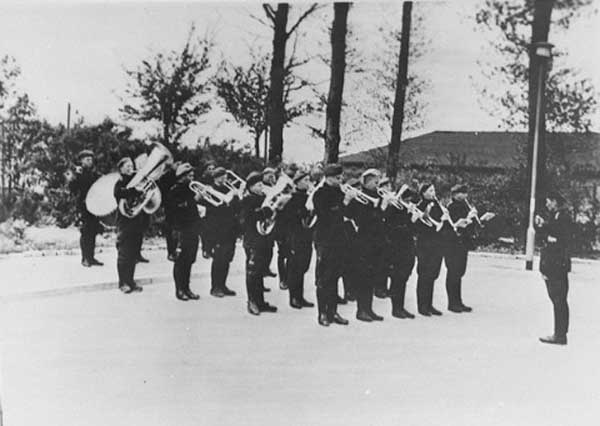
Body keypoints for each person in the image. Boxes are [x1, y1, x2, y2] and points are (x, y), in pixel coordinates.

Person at [444, 184, 493, 313]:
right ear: (455, 194)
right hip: (453, 244)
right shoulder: (451, 207)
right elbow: (454, 225)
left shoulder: (465, 206)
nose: (465, 196)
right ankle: (452, 302)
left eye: (465, 193)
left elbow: (471, 226)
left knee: (460, 272)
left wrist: (480, 219)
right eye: (462, 193)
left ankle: (458, 301)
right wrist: (468, 217)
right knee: (453, 273)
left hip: (463, 243)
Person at [312, 163, 351, 326]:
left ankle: (333, 311)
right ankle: (322, 313)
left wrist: (348, 202)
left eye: (341, 177)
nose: (340, 180)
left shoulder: (339, 192)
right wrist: (345, 202)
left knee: (335, 276)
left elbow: (348, 215)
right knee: (324, 278)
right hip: (325, 239)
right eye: (337, 177)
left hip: (339, 239)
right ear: (327, 178)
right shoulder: (320, 194)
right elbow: (328, 215)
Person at [240, 171, 284, 315]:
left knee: (260, 271)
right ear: (251, 187)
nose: (261, 187)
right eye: (258, 185)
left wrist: (276, 207)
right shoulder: (246, 201)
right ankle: (252, 301)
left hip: (265, 238)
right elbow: (247, 219)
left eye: (261, 184)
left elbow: (271, 215)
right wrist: (265, 211)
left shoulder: (265, 198)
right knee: (253, 271)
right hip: (252, 239)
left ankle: (260, 301)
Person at [345, 169, 386, 322]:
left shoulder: (378, 196)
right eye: (374, 180)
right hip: (363, 241)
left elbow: (383, 219)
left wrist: (383, 207)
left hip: (377, 241)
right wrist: (380, 208)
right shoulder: (358, 197)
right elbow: (363, 219)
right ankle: (361, 310)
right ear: (366, 181)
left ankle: (369, 308)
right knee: (363, 276)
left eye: (378, 179)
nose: (377, 182)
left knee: (373, 276)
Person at [535, 191, 572, 345]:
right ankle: (560, 332)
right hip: (556, 263)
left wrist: (545, 227)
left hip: (556, 263)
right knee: (558, 299)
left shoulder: (561, 217)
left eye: (549, 201)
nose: (547, 204)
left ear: (556, 202)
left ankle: (560, 334)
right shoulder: (557, 216)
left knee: (558, 298)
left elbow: (560, 237)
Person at [380, 181, 419, 319]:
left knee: (404, 277)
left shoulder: (405, 209)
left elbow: (413, 231)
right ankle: (396, 308)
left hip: (407, 247)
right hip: (396, 247)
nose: (409, 203)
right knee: (397, 278)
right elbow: (391, 227)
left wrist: (413, 219)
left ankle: (401, 307)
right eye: (407, 200)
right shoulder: (393, 208)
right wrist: (409, 220)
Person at [165, 163, 203, 301]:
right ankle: (179, 290)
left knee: (189, 260)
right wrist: (194, 201)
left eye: (193, 175)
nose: (193, 177)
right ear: (182, 176)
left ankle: (187, 288)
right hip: (181, 229)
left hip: (192, 229)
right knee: (180, 261)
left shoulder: (191, 189)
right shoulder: (175, 190)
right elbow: (176, 208)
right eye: (190, 175)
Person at [414, 183, 452, 316]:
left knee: (432, 274)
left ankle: (429, 304)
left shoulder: (437, 206)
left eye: (433, 190)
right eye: (430, 190)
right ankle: (422, 306)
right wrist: (439, 223)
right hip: (425, 245)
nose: (433, 193)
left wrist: (445, 219)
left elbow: (442, 225)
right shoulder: (420, 206)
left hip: (437, 245)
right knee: (424, 274)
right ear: (423, 193)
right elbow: (420, 227)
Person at [204, 167, 241, 298]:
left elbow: (236, 208)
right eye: (222, 176)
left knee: (227, 259)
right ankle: (215, 287)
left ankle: (223, 285)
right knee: (218, 259)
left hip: (230, 229)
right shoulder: (210, 189)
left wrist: (236, 196)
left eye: (225, 176)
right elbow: (210, 210)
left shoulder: (229, 190)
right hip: (217, 229)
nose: (225, 179)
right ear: (216, 178)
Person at [280, 170, 314, 309]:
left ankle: (300, 296)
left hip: (306, 235)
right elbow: (288, 218)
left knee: (303, 266)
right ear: (298, 182)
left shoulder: (308, 197)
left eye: (308, 180)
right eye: (305, 180)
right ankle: (294, 297)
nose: (308, 183)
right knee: (295, 268)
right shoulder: (292, 198)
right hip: (295, 236)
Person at [113, 157, 146, 293]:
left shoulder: (137, 180)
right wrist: (135, 191)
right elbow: (119, 193)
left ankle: (131, 281)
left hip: (136, 220)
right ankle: (123, 282)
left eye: (131, 165)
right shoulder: (120, 182)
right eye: (127, 166)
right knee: (124, 253)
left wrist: (142, 192)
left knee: (133, 253)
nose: (130, 168)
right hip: (125, 220)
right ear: (121, 168)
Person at [65, 149, 103, 267]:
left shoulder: (94, 173)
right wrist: (72, 177)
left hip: (94, 206)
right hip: (83, 206)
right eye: (87, 159)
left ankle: (91, 257)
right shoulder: (77, 173)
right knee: (86, 231)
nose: (90, 161)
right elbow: (72, 188)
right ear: (81, 161)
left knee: (93, 231)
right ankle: (85, 258)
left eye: (91, 159)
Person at [157, 160, 179, 261]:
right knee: (170, 230)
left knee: (177, 229)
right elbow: (162, 191)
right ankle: (171, 252)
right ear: (173, 164)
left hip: (177, 206)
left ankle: (176, 250)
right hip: (169, 206)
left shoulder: (180, 175)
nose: (179, 166)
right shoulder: (166, 176)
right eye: (177, 164)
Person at [261, 167, 278, 280]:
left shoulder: (274, 187)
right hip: (263, 220)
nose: (271, 177)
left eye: (272, 175)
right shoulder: (261, 186)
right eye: (269, 175)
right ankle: (262, 271)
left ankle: (266, 268)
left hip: (272, 218)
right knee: (262, 250)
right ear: (264, 175)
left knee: (269, 249)